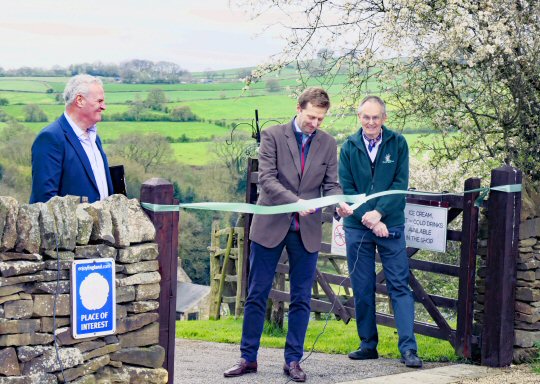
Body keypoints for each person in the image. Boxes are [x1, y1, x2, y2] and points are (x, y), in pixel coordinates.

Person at [223, 87, 352, 382]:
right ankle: (247, 358)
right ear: (298, 108)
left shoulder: (329, 144)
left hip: (306, 231)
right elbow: (266, 180)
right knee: (257, 293)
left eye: (320, 119)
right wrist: (296, 202)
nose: (315, 124)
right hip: (270, 225)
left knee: (301, 298)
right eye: (311, 117)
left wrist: (338, 202)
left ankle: (293, 361)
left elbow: (331, 184)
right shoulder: (272, 136)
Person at [338, 96, 422, 368]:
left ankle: (409, 349)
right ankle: (367, 345)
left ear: (384, 118)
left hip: (391, 224)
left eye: (376, 117)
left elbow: (401, 183)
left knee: (399, 286)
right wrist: (369, 219)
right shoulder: (349, 147)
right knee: (362, 287)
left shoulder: (398, 144)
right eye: (366, 117)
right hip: (357, 227)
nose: (371, 122)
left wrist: (381, 213)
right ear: (359, 117)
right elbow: (347, 189)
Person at [30, 74, 113, 203]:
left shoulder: (95, 139)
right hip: (72, 223)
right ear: (80, 100)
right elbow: (44, 200)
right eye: (99, 101)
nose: (104, 107)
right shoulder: (50, 138)